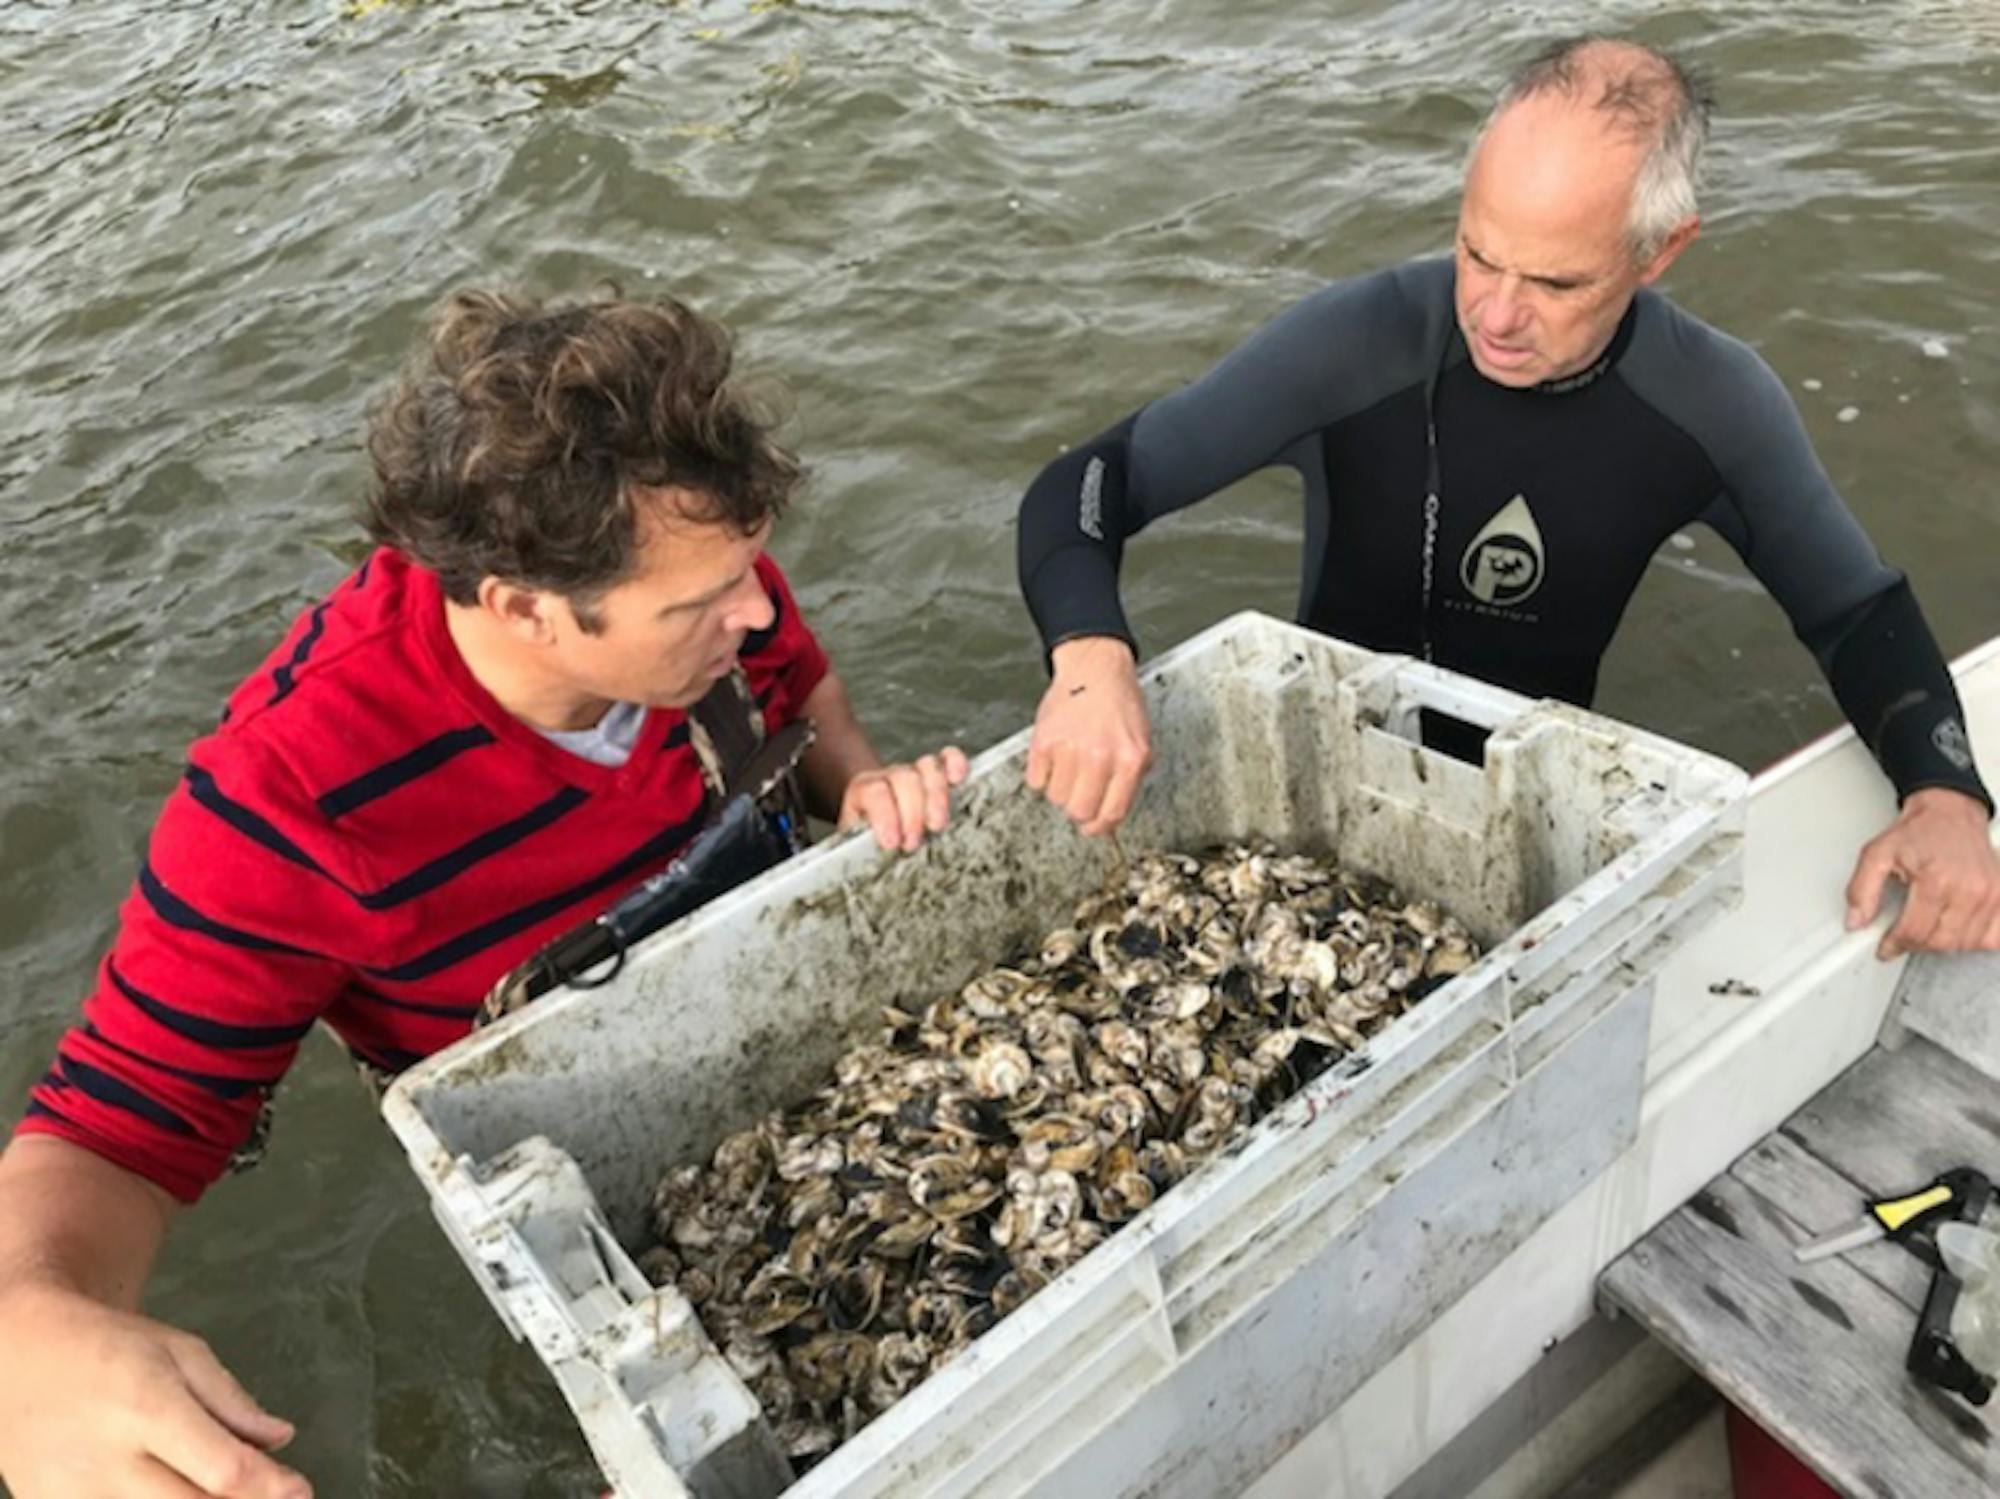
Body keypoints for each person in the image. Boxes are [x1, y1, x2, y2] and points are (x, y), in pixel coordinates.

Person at [0, 288, 967, 1498]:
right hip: (601, 1193)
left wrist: (861, 782)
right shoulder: (291, 798)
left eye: (749, 564)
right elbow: (113, 1125)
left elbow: (801, 692)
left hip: (818, 1054)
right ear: (520, 604)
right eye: (702, 602)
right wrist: (24, 1328)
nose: (758, 607)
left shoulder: (704, 565)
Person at [1016, 35, 2000, 960]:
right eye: (1477, 253)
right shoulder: (1360, 344)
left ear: (1658, 251)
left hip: (1522, 817)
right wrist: (1088, 656)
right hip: (1317, 807)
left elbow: (1855, 612)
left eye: (1554, 282)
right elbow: (1089, 485)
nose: (1493, 314)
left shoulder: (1710, 402)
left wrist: (1945, 794)